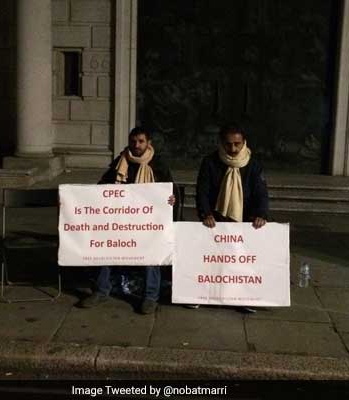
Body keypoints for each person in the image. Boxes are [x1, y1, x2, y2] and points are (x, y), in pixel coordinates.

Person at [78, 127, 177, 315]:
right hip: (120, 220)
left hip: (148, 223)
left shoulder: (159, 164)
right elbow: (102, 187)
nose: (136, 145)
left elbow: (171, 190)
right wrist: (74, 198)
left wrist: (172, 199)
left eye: (141, 141)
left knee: (152, 253)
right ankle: (101, 290)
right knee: (103, 246)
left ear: (149, 143)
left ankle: (150, 297)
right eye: (133, 141)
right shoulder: (120, 161)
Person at [192, 123, 269, 312]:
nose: (233, 149)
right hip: (216, 218)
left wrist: (261, 215)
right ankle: (199, 294)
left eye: (237, 144)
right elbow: (202, 191)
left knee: (242, 262)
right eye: (228, 144)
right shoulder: (210, 162)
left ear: (244, 143)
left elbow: (261, 193)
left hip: (245, 219)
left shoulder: (254, 164)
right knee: (210, 261)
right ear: (221, 143)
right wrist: (206, 213)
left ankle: (244, 297)